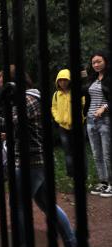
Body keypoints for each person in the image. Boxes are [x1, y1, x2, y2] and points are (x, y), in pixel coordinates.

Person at [0, 65, 77, 247]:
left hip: (32, 162)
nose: (1, 90)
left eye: (3, 86)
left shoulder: (29, 99)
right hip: (36, 161)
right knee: (47, 204)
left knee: (17, 204)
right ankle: (71, 243)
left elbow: (10, 120)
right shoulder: (25, 99)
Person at [84, 51, 112, 198]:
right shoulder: (92, 78)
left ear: (105, 61)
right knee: (97, 154)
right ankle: (104, 182)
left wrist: (105, 107)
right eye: (94, 62)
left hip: (105, 120)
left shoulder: (109, 79)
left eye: (99, 61)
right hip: (90, 120)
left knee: (107, 154)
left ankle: (111, 184)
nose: (96, 64)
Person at [51, 69, 85, 177]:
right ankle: (71, 174)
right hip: (63, 127)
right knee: (68, 151)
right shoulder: (56, 94)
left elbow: (84, 105)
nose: (63, 82)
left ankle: (82, 172)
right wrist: (58, 118)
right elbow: (54, 108)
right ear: (57, 82)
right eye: (60, 80)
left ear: (69, 80)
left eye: (65, 80)